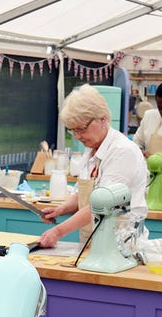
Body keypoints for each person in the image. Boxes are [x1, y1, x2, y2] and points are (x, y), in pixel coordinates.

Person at [39, 84, 148, 248]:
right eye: (72, 130)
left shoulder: (122, 152)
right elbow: (83, 195)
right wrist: (60, 210)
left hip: (122, 245)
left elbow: (102, 205)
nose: (77, 136)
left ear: (103, 119)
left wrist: (58, 231)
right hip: (93, 241)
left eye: (81, 129)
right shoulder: (91, 150)